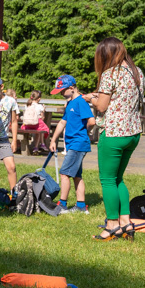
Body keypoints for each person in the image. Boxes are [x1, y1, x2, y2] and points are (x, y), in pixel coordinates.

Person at [86, 37, 145, 241]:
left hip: (113, 133)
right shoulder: (137, 72)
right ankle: (126, 222)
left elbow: (102, 106)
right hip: (133, 133)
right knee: (118, 178)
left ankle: (111, 225)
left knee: (108, 180)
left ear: (106, 54)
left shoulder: (110, 73)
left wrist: (90, 98)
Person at [48, 75, 95, 214]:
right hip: (72, 143)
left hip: (78, 143)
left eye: (62, 91)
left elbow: (91, 121)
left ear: (71, 88)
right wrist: (53, 139)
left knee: (64, 173)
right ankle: (81, 206)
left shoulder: (81, 101)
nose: (61, 94)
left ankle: (62, 205)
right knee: (76, 175)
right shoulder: (70, 103)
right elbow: (63, 122)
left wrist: (83, 132)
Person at [0, 74, 19, 193]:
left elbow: (14, 121)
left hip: (3, 138)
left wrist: (14, 140)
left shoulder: (10, 101)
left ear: (2, 86)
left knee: (11, 166)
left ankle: (14, 194)